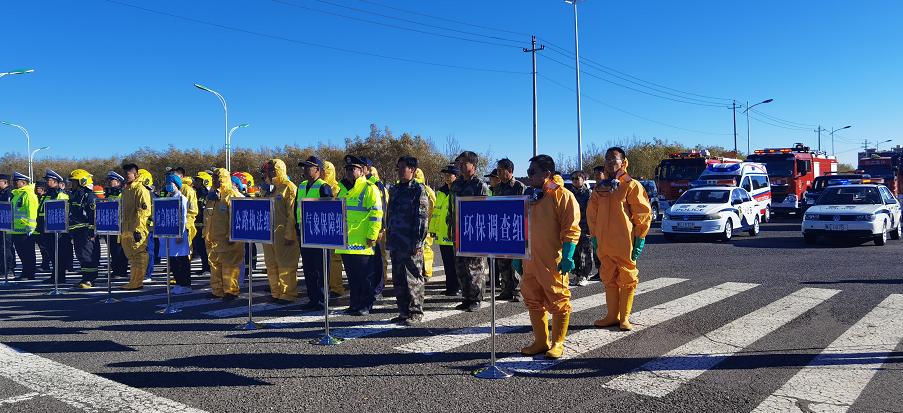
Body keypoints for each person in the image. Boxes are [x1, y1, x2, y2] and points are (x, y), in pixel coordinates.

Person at [515, 154, 581, 359]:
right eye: (528, 172)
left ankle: (558, 342)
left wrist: (568, 255)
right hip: (530, 260)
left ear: (547, 174)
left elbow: (571, 228)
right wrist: (518, 255)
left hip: (552, 259)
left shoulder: (562, 196)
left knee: (559, 299)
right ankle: (541, 341)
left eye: (532, 172)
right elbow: (519, 227)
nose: (529, 176)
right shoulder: (530, 197)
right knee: (533, 299)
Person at [587, 147, 652, 331]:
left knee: (627, 277)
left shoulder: (631, 185)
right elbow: (592, 213)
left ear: (623, 162)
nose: (609, 162)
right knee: (608, 277)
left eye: (613, 159)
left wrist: (640, 238)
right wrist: (594, 236)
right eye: (607, 159)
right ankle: (612, 315)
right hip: (605, 242)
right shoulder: (600, 188)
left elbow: (643, 213)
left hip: (625, 241)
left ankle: (624, 318)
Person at [335, 155, 383, 316]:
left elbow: (376, 214)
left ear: (362, 171)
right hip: (346, 241)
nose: (349, 172)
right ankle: (354, 303)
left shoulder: (370, 188)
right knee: (352, 277)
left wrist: (372, 235)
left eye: (353, 169)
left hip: (363, 241)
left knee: (365, 277)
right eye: (347, 169)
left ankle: (366, 304)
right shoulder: (341, 188)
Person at [386, 156, 430, 325]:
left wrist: (418, 241)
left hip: (411, 241)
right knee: (398, 278)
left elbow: (422, 218)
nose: (399, 169)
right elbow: (390, 214)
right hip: (396, 240)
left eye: (403, 167)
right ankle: (403, 311)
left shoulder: (418, 189)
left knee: (413, 277)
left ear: (412, 170)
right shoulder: (396, 189)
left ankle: (416, 312)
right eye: (398, 166)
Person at [448, 151, 490, 312]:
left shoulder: (480, 185)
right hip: (458, 233)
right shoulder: (457, 184)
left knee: (475, 268)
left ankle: (476, 298)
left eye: (464, 163)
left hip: (474, 233)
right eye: (459, 163)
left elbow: (485, 211)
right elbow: (452, 209)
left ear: (473, 165)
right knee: (461, 268)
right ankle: (467, 297)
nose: (460, 165)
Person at [257, 159, 300, 304]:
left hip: (283, 235)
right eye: (268, 171)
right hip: (268, 235)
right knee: (271, 265)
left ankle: (288, 294)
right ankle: (276, 292)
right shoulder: (269, 189)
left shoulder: (289, 188)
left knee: (286, 265)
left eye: (271, 170)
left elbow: (292, 214)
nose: (268, 173)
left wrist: (290, 234)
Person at [295, 156, 333, 309]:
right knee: (309, 268)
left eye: (308, 167)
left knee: (321, 268)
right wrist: (296, 229)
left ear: (317, 170)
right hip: (304, 233)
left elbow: (329, 212)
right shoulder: (302, 186)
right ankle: (312, 299)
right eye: (303, 167)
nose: (304, 170)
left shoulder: (324, 187)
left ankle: (322, 299)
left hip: (320, 234)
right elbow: (295, 209)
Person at [204, 168, 244, 300]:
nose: (214, 180)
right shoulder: (212, 196)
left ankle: (231, 291)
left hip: (228, 239)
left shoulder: (232, 195)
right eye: (213, 178)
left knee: (230, 266)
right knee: (215, 265)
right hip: (213, 238)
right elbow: (208, 216)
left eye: (216, 178)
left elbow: (238, 217)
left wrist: (232, 235)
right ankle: (217, 290)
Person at [492, 158, 527, 302]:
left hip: (515, 230)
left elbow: (525, 209)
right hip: (500, 230)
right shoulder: (497, 188)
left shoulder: (519, 187)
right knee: (502, 262)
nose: (498, 173)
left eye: (501, 170)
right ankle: (506, 289)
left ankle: (518, 291)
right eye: (498, 170)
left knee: (516, 262)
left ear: (510, 171)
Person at [158, 173, 193, 294]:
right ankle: (178, 283)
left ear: (177, 185)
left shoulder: (182, 198)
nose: (168, 186)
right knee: (173, 260)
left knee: (181, 260)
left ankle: (185, 284)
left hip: (179, 233)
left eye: (170, 183)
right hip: (170, 234)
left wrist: (179, 234)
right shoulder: (169, 198)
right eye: (167, 183)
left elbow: (183, 217)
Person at [120, 164, 153, 290]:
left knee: (139, 255)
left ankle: (137, 282)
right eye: (125, 174)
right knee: (132, 256)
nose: (125, 176)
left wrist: (138, 229)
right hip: (127, 229)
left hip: (137, 229)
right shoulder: (127, 190)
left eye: (128, 174)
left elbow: (144, 212)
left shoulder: (140, 189)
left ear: (135, 174)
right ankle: (133, 280)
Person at [67, 169, 101, 289]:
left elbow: (93, 216)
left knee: (88, 256)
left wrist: (92, 232)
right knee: (81, 255)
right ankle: (85, 277)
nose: (72, 184)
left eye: (74, 182)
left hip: (86, 232)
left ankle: (90, 279)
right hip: (78, 232)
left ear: (82, 181)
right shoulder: (76, 196)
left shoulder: (90, 197)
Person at [429, 164, 460, 296]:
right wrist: (433, 229)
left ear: (456, 176)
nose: (446, 177)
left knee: (457, 264)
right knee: (447, 263)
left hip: (455, 234)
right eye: (445, 175)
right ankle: (450, 287)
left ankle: (458, 286)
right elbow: (436, 212)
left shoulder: (460, 190)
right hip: (442, 233)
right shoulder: (441, 192)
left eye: (449, 175)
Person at [39, 169, 72, 283]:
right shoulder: (46, 195)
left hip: (58, 231)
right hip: (46, 229)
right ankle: (54, 275)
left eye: (49, 180)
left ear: (56, 182)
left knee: (59, 255)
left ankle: (60, 277)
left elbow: (64, 213)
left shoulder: (61, 195)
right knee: (52, 255)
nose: (47, 183)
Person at [363, 159, 389, 297]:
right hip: (361, 230)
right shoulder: (356, 183)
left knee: (377, 259)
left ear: (367, 168)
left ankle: (378, 288)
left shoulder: (376, 184)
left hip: (375, 229)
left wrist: (381, 229)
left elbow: (382, 208)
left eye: (362, 166)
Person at [321, 160, 347, 298]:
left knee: (335, 259)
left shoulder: (337, 188)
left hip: (335, 228)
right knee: (326, 260)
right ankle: (329, 285)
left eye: (326, 170)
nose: (324, 173)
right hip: (323, 228)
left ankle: (337, 288)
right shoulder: (318, 186)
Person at [10, 172, 38, 280]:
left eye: (16, 181)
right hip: (17, 230)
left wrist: (30, 227)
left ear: (23, 182)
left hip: (25, 230)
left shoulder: (28, 194)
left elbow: (31, 211)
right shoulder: (17, 194)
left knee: (28, 254)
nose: (14, 183)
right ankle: (25, 273)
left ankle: (29, 273)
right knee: (22, 254)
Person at [568, 170, 594, 287]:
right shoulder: (569, 194)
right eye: (573, 178)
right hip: (573, 227)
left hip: (585, 226)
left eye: (577, 178)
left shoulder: (589, 193)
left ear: (583, 180)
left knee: (585, 252)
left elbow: (592, 212)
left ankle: (584, 275)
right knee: (574, 253)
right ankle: (577, 275)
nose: (575, 180)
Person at [103, 171, 129, 279]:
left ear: (118, 182)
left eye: (111, 180)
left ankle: (121, 271)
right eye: (109, 180)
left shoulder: (122, 193)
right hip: (109, 224)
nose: (109, 182)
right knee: (112, 249)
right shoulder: (109, 194)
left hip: (120, 225)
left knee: (119, 250)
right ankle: (115, 270)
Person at [413, 168, 435, 279]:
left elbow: (434, 208)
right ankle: (424, 271)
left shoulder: (424, 190)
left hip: (425, 224)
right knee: (422, 249)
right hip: (425, 223)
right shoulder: (427, 190)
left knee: (425, 249)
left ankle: (426, 272)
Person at [192, 171, 212, 275]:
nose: (195, 182)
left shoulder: (206, 194)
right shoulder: (196, 192)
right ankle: (204, 267)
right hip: (197, 224)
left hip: (203, 225)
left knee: (205, 248)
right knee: (200, 248)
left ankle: (208, 268)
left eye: (198, 180)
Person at [590, 164, 605, 280]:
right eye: (595, 174)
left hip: (606, 227)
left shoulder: (609, 187)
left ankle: (605, 272)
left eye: (598, 174)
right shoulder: (596, 188)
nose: (596, 176)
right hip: (596, 227)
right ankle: (600, 271)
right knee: (597, 252)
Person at [0, 174, 15, 277]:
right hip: (1, 223)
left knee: (6, 247)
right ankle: (2, 268)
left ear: (5, 182)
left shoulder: (9, 193)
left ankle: (9, 269)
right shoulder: (2, 192)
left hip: (7, 223)